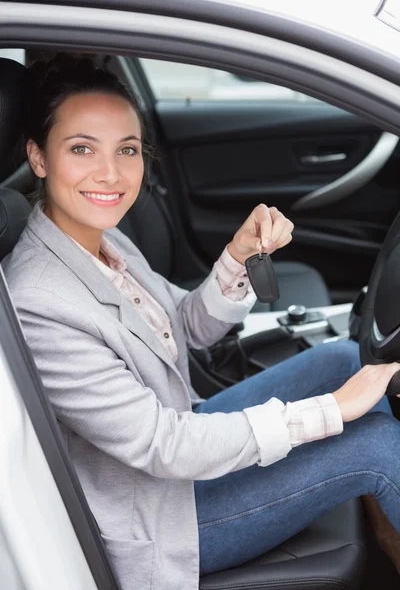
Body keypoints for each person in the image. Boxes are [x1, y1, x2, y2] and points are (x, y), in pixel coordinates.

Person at [2, 55, 400, 590]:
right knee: (372, 444)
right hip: (158, 522)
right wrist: (332, 410)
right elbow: (164, 445)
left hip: (175, 458)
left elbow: (185, 327)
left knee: (342, 358)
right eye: (81, 149)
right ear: (38, 157)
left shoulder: (97, 239)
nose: (111, 174)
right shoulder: (37, 301)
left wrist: (237, 257)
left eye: (127, 150)